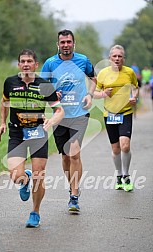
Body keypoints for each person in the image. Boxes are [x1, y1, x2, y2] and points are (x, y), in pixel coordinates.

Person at [0, 49, 64, 227]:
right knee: (15, 175)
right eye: (23, 61)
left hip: (37, 133)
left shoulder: (45, 85)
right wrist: (2, 123)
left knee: (39, 175)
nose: (26, 64)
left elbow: (59, 110)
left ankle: (35, 212)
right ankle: (24, 180)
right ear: (19, 64)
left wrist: (51, 122)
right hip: (17, 133)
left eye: (29, 61)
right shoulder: (10, 82)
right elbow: (4, 103)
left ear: (36, 64)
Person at [40, 29, 96, 213]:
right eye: (62, 42)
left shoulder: (83, 60)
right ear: (58, 44)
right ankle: (72, 185)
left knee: (74, 154)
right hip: (60, 115)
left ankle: (74, 195)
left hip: (80, 114)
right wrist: (51, 94)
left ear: (74, 44)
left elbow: (94, 79)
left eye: (69, 42)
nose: (66, 45)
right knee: (65, 156)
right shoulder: (50, 63)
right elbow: (41, 87)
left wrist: (89, 95)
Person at [94, 45, 139, 192]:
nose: (117, 59)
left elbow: (135, 87)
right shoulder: (103, 74)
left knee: (125, 145)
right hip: (110, 115)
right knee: (116, 148)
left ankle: (126, 175)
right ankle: (119, 175)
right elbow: (95, 92)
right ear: (110, 58)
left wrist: (134, 97)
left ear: (123, 58)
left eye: (120, 56)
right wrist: (103, 94)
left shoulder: (129, 72)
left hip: (125, 113)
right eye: (115, 56)